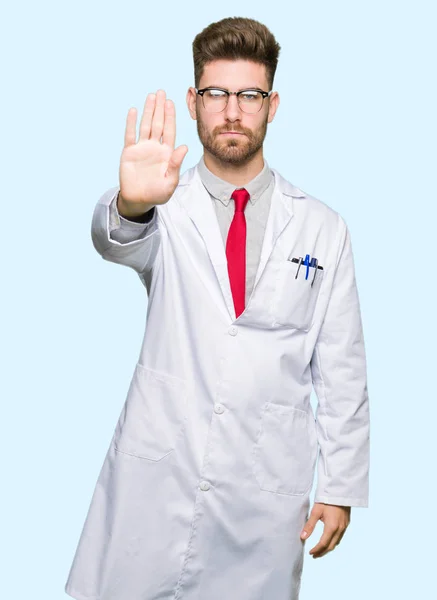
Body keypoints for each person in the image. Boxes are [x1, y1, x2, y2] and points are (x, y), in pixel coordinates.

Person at [64, 16, 370, 600]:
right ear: (194, 101)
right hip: (158, 477)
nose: (233, 111)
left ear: (272, 104)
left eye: (249, 95)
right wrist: (131, 202)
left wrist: (340, 485)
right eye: (217, 94)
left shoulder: (323, 228)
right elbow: (117, 240)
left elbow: (342, 364)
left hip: (261, 491)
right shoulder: (165, 206)